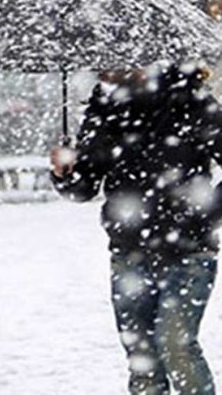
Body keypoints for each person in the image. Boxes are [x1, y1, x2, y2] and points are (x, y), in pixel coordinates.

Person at [50, 62, 221, 394]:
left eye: (108, 60)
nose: (100, 68)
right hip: (129, 253)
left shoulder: (190, 101)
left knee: (177, 347)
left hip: (189, 251)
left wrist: (203, 215)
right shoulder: (104, 109)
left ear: (138, 59)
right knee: (141, 359)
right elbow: (84, 187)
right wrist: (65, 173)